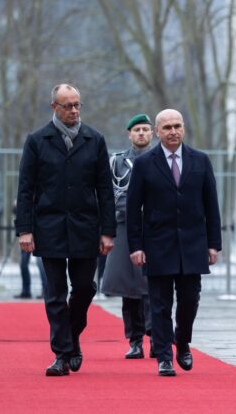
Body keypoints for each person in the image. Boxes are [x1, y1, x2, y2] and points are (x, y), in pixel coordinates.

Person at [14, 83, 116, 377]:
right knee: (55, 293)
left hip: (86, 227)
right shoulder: (37, 141)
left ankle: (71, 336)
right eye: (68, 105)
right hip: (50, 227)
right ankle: (61, 354)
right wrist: (24, 230)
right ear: (54, 107)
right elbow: (25, 189)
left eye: (77, 105)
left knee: (84, 288)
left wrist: (107, 231)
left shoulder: (94, 140)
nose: (74, 110)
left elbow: (105, 190)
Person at [127, 109, 222, 376]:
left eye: (177, 126)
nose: (173, 131)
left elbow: (211, 205)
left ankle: (182, 341)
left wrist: (214, 243)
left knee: (190, 300)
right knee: (159, 304)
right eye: (167, 127)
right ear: (157, 131)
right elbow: (133, 208)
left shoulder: (200, 160)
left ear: (183, 129)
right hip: (157, 244)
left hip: (193, 245)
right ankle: (164, 357)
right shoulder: (145, 164)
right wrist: (135, 246)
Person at [101, 114, 155, 359]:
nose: (141, 133)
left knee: (154, 284)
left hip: (154, 227)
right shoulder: (117, 162)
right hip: (124, 226)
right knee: (128, 286)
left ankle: (156, 336)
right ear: (129, 134)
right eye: (137, 130)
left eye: (145, 129)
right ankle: (134, 340)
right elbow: (112, 194)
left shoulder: (160, 159)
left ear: (152, 133)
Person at [13, 199, 48, 299]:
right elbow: (16, 211)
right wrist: (16, 205)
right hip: (27, 232)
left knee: (41, 263)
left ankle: (45, 290)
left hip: (40, 231)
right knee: (23, 263)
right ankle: (26, 291)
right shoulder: (25, 196)